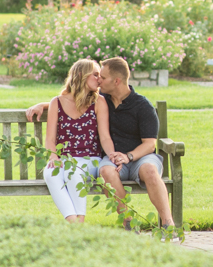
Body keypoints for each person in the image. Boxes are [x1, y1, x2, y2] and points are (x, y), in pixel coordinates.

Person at [27, 56, 175, 229]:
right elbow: (72, 99)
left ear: (116, 81)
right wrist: (44, 105)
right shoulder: (101, 97)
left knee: (148, 170)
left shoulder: (138, 106)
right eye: (97, 76)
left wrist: (125, 156)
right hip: (105, 159)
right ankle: (127, 222)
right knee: (94, 171)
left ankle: (167, 223)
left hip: (136, 157)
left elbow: (148, 144)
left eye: (102, 77)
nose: (99, 80)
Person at [42, 58, 117, 223]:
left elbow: (104, 136)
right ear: (81, 75)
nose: (99, 79)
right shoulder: (57, 103)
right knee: (49, 173)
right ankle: (75, 223)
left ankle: (79, 223)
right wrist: (53, 157)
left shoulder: (98, 102)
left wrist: (112, 155)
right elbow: (50, 139)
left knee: (72, 170)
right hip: (64, 159)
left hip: (90, 159)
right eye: (95, 75)